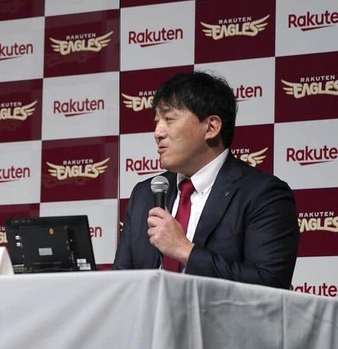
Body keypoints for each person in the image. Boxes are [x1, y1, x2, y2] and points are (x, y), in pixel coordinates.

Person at [113, 71, 300, 289]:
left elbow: (270, 283)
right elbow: (121, 283)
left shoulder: (263, 194)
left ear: (211, 127)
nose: (158, 132)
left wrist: (185, 250)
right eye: (157, 121)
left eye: (169, 120)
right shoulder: (145, 194)